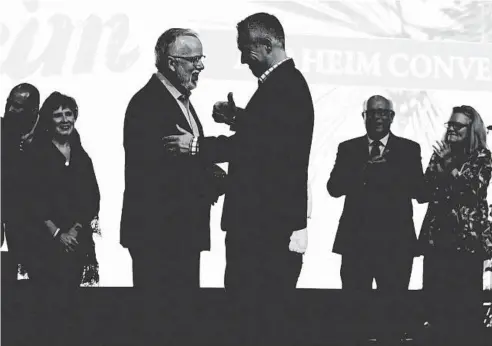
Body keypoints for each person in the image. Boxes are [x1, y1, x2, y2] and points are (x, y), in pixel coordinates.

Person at [163, 13, 313, 345]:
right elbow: (273, 137)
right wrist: (240, 118)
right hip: (268, 226)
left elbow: (260, 149)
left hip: (262, 229)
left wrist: (197, 146)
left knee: (254, 314)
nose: (243, 58)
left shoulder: (284, 86)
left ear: (268, 43)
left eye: (246, 49)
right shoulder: (287, 84)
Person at [120, 28, 226, 344]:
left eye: (201, 58)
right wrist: (212, 176)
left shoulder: (180, 101)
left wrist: (213, 173)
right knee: (159, 323)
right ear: (171, 62)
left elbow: (184, 161)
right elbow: (154, 171)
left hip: (180, 234)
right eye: (193, 59)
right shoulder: (148, 103)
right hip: (160, 236)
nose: (201, 66)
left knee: (180, 321)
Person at [327, 95, 426, 344]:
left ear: (392, 117)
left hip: (396, 243)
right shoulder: (348, 148)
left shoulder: (409, 149)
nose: (377, 117)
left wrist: (391, 174)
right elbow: (334, 187)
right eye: (372, 113)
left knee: (393, 314)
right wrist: (363, 170)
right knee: (354, 310)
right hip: (356, 242)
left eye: (383, 112)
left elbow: (420, 192)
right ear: (364, 117)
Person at [419, 105, 492, 345]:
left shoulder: (482, 157)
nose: (451, 129)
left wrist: (448, 166)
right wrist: (439, 168)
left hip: (466, 244)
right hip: (437, 240)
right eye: (449, 124)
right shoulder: (442, 152)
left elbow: (472, 191)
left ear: (471, 129)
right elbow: (426, 190)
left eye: (457, 125)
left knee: (464, 309)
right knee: (435, 307)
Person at [24, 91, 100, 288]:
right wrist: (58, 234)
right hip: (42, 243)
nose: (65, 120)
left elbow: (92, 198)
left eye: (69, 113)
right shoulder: (36, 155)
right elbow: (32, 199)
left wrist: (74, 231)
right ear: (49, 119)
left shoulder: (82, 158)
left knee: (72, 307)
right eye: (58, 115)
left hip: (76, 243)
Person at [1, 83, 40, 285]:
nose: (10, 110)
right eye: (9, 103)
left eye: (18, 106)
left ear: (34, 110)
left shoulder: (46, 134)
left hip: (37, 219)